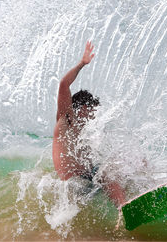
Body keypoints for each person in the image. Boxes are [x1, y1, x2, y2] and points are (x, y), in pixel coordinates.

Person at [52, 41, 125, 207]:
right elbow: (63, 84)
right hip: (73, 186)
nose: (94, 116)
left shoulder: (85, 132)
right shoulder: (66, 119)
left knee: (120, 165)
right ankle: (123, 207)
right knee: (106, 171)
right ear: (83, 107)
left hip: (88, 182)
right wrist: (82, 64)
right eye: (92, 110)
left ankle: (137, 198)